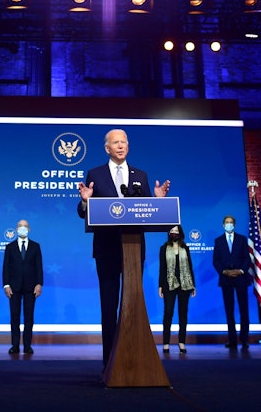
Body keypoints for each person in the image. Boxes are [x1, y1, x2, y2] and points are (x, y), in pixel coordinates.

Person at [77, 128, 170, 366]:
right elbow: (82, 213)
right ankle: (110, 363)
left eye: (124, 142)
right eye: (115, 142)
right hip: (106, 249)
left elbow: (147, 212)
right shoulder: (95, 174)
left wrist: (157, 201)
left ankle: (134, 360)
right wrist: (86, 202)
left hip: (133, 248)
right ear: (107, 148)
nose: (120, 145)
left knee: (132, 304)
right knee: (109, 307)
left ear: (128, 146)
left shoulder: (141, 175)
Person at [2, 219, 44, 354]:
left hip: (31, 287)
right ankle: (14, 345)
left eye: (25, 226)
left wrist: (39, 284)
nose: (23, 228)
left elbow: (39, 267)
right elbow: (5, 268)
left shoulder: (35, 246)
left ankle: (27, 345)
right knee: (14, 316)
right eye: (20, 226)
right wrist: (6, 285)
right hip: (14, 287)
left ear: (29, 230)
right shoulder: (10, 247)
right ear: (16, 229)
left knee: (29, 317)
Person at [212, 215, 252, 349]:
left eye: (231, 222)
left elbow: (247, 259)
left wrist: (240, 270)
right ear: (223, 225)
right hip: (226, 279)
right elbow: (216, 261)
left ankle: (245, 339)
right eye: (227, 222)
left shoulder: (242, 239)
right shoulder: (218, 241)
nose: (229, 224)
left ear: (234, 225)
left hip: (241, 278)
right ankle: (232, 340)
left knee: (243, 310)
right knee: (229, 310)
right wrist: (224, 272)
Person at [158, 224, 196, 353]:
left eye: (176, 231)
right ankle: (166, 343)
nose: (174, 233)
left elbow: (190, 267)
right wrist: (160, 286)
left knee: (183, 313)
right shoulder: (164, 248)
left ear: (180, 233)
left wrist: (193, 285)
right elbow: (162, 268)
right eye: (172, 231)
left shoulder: (185, 248)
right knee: (168, 312)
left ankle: (181, 342)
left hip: (185, 284)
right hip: (169, 284)